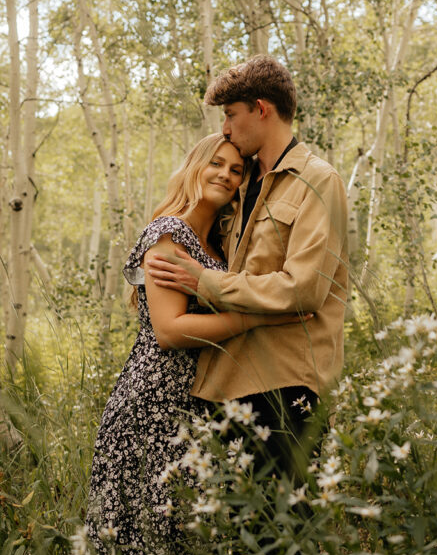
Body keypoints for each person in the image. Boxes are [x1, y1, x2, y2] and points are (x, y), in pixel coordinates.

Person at [64, 133, 304, 555]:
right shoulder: (167, 234)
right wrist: (256, 319)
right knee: (139, 540)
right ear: (194, 167)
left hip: (191, 406)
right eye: (215, 163)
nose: (226, 174)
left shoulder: (216, 248)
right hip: (151, 402)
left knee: (175, 544)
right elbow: (170, 330)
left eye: (237, 169)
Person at [146, 55, 349, 474]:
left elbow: (303, 288)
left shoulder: (318, 180)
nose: (225, 129)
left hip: (287, 385)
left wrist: (206, 282)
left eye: (231, 115)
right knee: (234, 535)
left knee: (284, 529)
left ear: (261, 109)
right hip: (223, 389)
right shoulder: (238, 184)